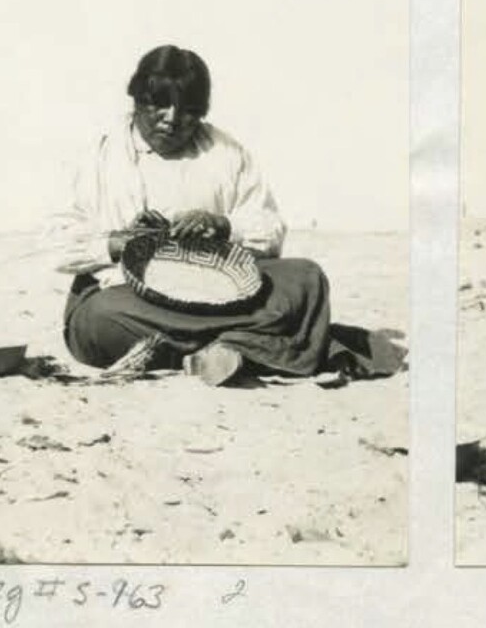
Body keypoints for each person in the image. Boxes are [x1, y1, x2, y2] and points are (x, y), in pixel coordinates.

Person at [51, 44, 334, 384]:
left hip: (219, 295)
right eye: (158, 104)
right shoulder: (97, 156)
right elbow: (56, 242)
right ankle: (245, 346)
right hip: (130, 298)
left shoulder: (227, 153)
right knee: (96, 317)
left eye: (187, 110)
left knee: (306, 278)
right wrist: (118, 243)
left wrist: (224, 226)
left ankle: (211, 350)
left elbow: (269, 229)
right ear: (136, 99)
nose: (171, 118)